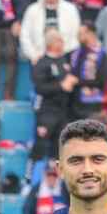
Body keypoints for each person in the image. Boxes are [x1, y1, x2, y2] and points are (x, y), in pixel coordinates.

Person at [29, 31, 74, 168]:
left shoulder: (64, 61)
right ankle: (30, 178)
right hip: (46, 111)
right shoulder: (41, 63)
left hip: (63, 110)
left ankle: (55, 180)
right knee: (41, 145)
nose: (63, 43)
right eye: (60, 41)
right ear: (52, 43)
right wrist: (61, 86)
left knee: (60, 146)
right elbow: (40, 89)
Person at [20, 0, 80, 65]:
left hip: (65, 58)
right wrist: (33, 55)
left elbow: (76, 36)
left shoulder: (70, 9)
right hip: (39, 58)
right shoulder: (32, 10)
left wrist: (65, 55)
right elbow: (25, 35)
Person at [70, 24, 107, 119]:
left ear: (91, 34)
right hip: (74, 102)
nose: (78, 36)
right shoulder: (75, 53)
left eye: (82, 33)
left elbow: (101, 81)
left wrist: (78, 81)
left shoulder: (101, 54)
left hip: (91, 102)